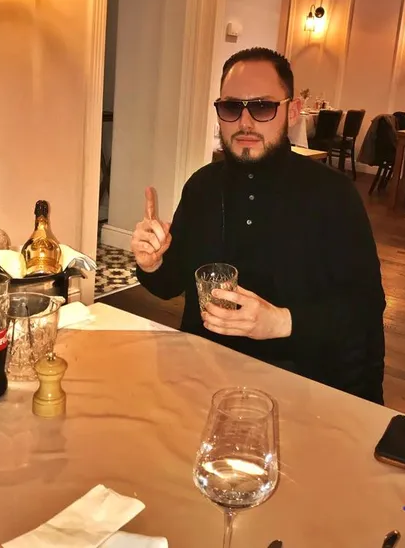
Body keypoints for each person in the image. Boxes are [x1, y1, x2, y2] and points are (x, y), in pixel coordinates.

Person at [131, 47, 386, 403]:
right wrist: (152, 263)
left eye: (263, 107)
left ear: (292, 111)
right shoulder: (203, 186)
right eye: (231, 108)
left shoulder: (334, 195)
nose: (245, 123)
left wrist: (281, 322)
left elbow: (365, 307)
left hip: (300, 384)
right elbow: (170, 284)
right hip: (204, 375)